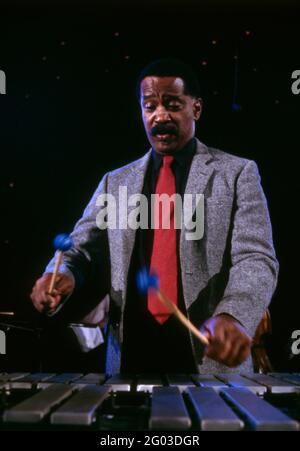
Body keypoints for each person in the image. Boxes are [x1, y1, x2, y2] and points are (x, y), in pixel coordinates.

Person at [30, 58, 279, 374]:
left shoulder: (237, 173)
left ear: (196, 109)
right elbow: (77, 251)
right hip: (130, 355)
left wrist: (234, 315)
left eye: (173, 105)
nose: (160, 115)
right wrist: (59, 273)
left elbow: (256, 259)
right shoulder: (114, 182)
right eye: (150, 107)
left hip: (208, 358)